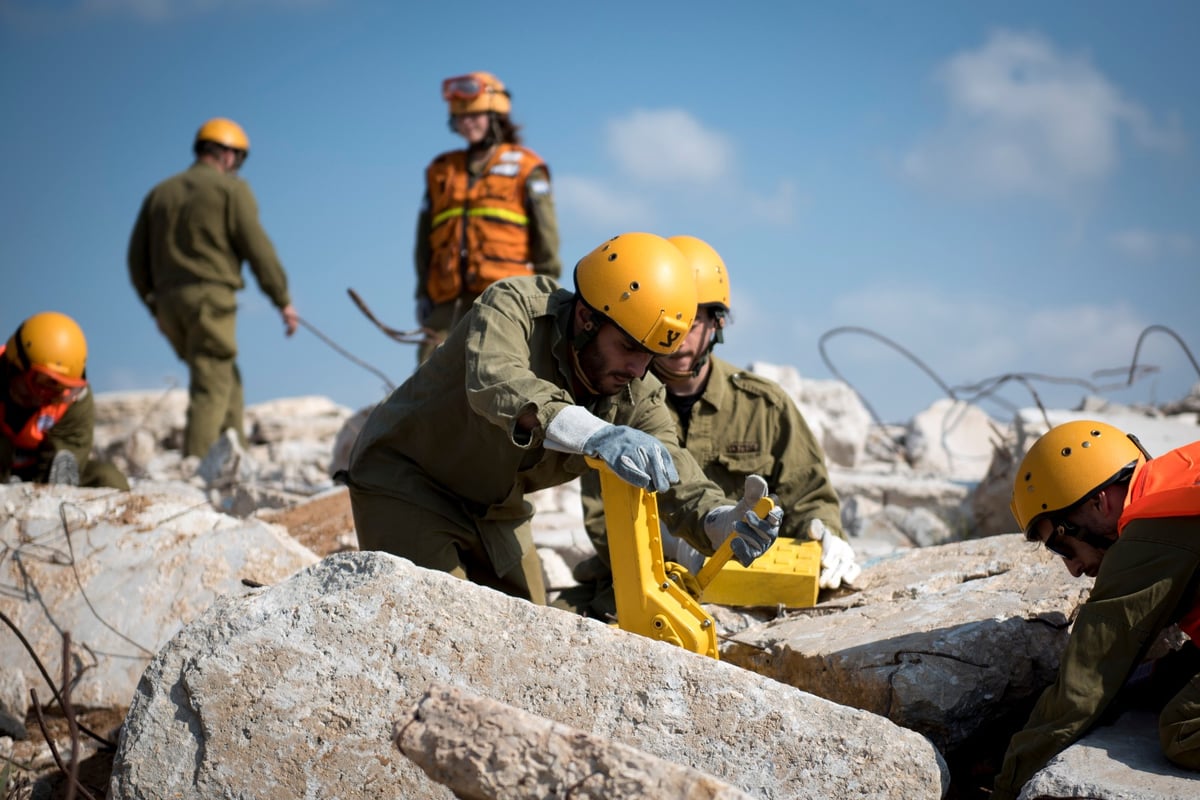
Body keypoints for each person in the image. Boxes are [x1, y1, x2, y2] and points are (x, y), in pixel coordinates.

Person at [342, 232, 783, 605]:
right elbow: (498, 383)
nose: (638, 369)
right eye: (629, 348)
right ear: (588, 318)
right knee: (444, 622)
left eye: (652, 356)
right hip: (410, 482)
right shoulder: (512, 308)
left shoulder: (635, 387)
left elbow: (672, 467)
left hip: (497, 510)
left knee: (527, 638)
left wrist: (719, 520)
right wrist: (594, 434)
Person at [563, 236, 859, 620]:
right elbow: (601, 514)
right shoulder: (616, 396)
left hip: (749, 589)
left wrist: (826, 535)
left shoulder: (764, 406)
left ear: (717, 324)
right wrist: (676, 542)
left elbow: (809, 498)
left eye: (694, 320)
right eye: (671, 320)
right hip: (638, 584)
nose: (680, 337)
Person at [993, 420, 1200, 799]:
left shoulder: (1151, 524)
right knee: (1163, 681)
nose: (1072, 569)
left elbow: (1082, 687)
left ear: (1098, 502)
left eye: (1061, 545)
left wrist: (1005, 788)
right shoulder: (1183, 472)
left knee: (1186, 727)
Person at [128, 117, 299, 459]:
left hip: (168, 304)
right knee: (211, 383)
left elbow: (135, 260)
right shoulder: (229, 191)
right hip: (210, 299)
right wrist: (282, 300)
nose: (236, 166)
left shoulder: (159, 194)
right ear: (225, 154)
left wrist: (155, 308)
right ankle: (197, 465)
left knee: (223, 375)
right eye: (237, 157)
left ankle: (236, 457)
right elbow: (257, 248)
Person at [413, 71, 561, 364]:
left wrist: (547, 291)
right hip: (447, 300)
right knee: (429, 376)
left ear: (495, 115)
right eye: (460, 117)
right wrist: (422, 293)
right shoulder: (441, 170)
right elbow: (424, 240)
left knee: (501, 368)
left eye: (475, 115)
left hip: (506, 294)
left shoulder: (526, 166)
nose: (467, 123)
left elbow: (546, 236)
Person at [1, 312, 128, 490]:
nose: (46, 397)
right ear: (15, 363)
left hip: (40, 471)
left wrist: (45, 487)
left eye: (60, 389)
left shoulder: (75, 400)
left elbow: (73, 446)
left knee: (108, 479)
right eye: (43, 382)